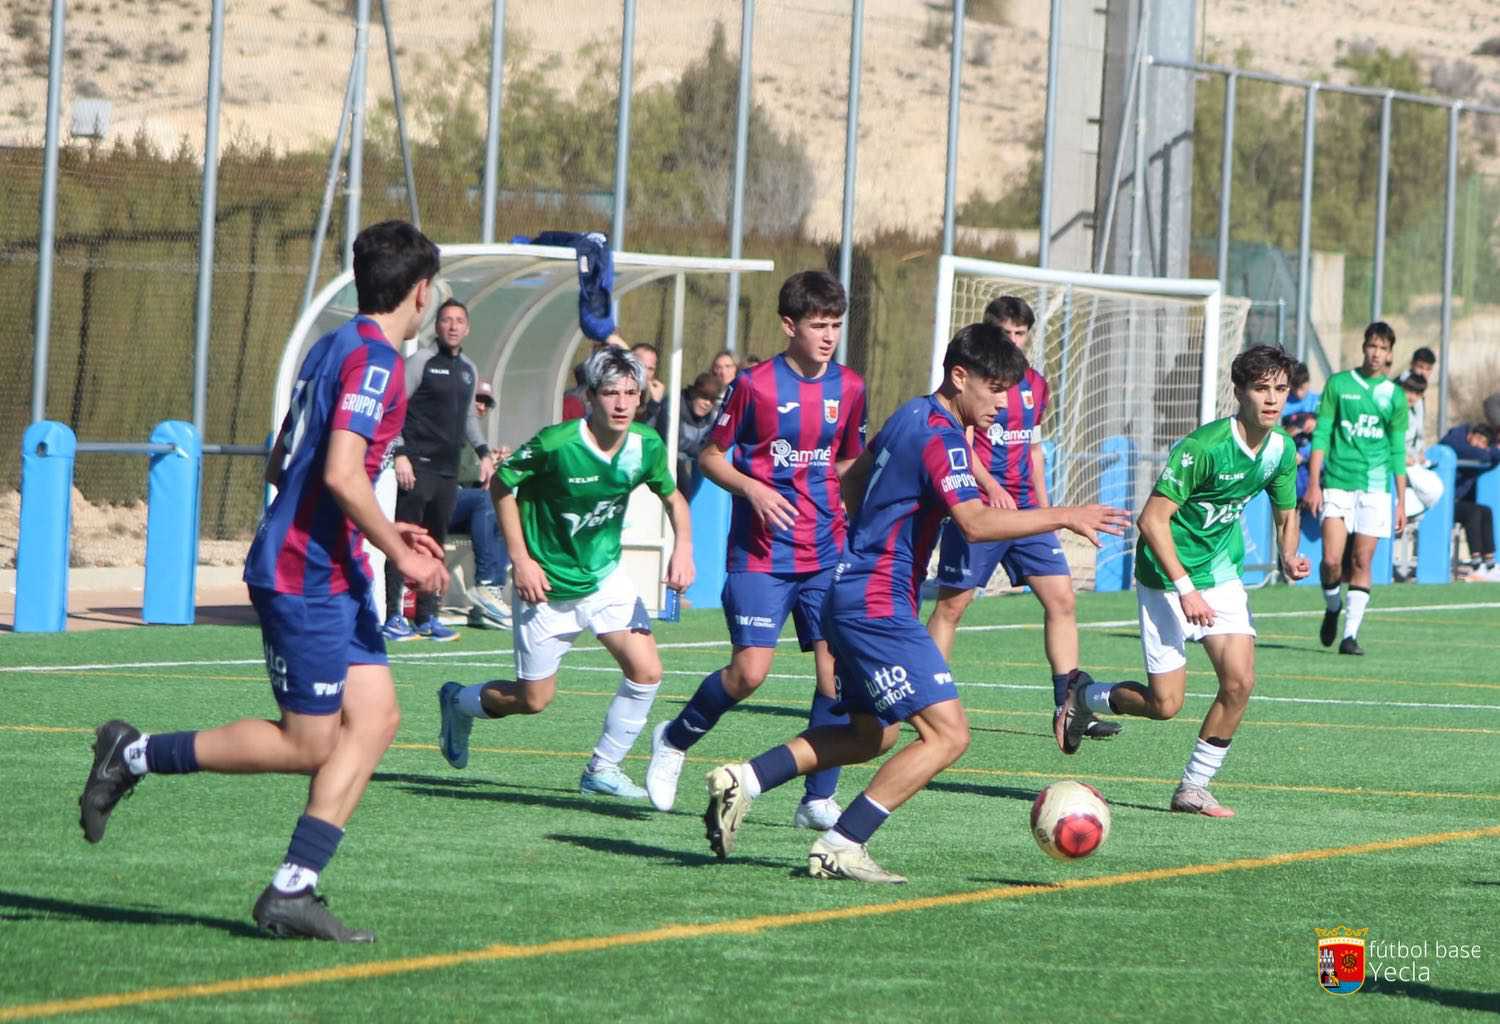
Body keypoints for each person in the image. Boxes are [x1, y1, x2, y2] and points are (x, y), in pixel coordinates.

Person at [78, 220, 449, 941]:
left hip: (330, 565)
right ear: (421, 290)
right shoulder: (378, 364)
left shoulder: (332, 346)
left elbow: (286, 461)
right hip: (304, 573)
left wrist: (378, 529)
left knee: (375, 720)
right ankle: (133, 753)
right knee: (307, 742)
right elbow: (341, 473)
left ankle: (293, 889)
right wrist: (400, 554)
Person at [698, 323, 1128, 882]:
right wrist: (1065, 514)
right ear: (959, 376)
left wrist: (869, 540)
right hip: (876, 601)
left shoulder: (910, 413)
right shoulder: (942, 437)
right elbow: (974, 524)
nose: (1004, 402)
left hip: (851, 588)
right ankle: (841, 844)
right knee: (949, 735)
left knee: (869, 735)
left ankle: (745, 780)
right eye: (995, 388)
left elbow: (851, 480)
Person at [642, 271, 867, 827]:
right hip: (763, 556)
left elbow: (845, 461)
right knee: (749, 674)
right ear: (789, 325)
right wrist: (754, 488)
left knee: (836, 673)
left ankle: (817, 798)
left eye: (836, 325)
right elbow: (713, 457)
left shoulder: (851, 388)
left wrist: (858, 511)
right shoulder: (756, 385)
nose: (828, 336)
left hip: (825, 552)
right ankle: (673, 739)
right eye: (818, 325)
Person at [1059, 345, 1310, 818]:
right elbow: (1151, 521)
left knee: (1240, 682)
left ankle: (1193, 788)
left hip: (1219, 571)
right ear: (1239, 392)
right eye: (1262, 389)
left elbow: (1286, 512)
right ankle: (1083, 695)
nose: (1273, 399)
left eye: (1280, 389)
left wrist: (1289, 552)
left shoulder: (1281, 448)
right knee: (1165, 704)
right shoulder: (1205, 447)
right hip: (1165, 573)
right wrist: (1184, 588)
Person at [435, 347, 695, 799]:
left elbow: (674, 499)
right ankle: (458, 701)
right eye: (610, 393)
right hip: (547, 586)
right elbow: (501, 485)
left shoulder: (645, 446)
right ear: (589, 397)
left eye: (630, 393)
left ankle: (603, 767)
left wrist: (684, 549)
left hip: (604, 578)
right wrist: (522, 560)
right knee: (533, 700)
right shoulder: (557, 444)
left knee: (647, 671)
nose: (620, 403)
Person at [926, 295, 1123, 746]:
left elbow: (1032, 449)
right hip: (978, 510)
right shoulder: (976, 385)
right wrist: (989, 486)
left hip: (1027, 511)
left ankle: (1069, 705)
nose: (1013, 340)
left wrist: (1048, 510)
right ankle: (924, 697)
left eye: (1020, 334)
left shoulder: (1036, 384)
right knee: (953, 606)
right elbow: (960, 442)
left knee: (1062, 599)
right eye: (1005, 333)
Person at [381, 298, 494, 642]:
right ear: (438, 326)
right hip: (416, 469)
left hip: (448, 474)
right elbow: (394, 406)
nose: (453, 326)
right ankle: (393, 616)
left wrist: (484, 452)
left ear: (468, 327)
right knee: (405, 540)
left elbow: (470, 419)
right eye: (447, 320)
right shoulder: (421, 362)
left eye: (459, 320)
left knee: (435, 545)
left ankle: (427, 617)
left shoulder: (468, 370)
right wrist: (399, 453)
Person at [1304, 322, 1407, 656]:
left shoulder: (1394, 396)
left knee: (1362, 559)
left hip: (1376, 488)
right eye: (1372, 346)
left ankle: (1350, 636)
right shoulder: (1339, 384)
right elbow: (1321, 433)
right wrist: (1315, 484)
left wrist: (1401, 502)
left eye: (1383, 349)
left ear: (1390, 354)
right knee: (1332, 560)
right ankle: (1333, 606)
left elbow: (1398, 452)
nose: (1376, 354)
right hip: (1337, 483)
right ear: (1364, 347)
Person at [450, 380, 513, 627]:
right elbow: (454, 473)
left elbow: (472, 480)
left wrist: (494, 464)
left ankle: (491, 593)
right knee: (487, 501)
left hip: (461, 503)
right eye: (476, 398)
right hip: (439, 502)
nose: (481, 406)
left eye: (486, 402)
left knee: (507, 509)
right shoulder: (450, 425)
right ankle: (487, 585)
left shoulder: (475, 438)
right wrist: (485, 467)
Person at [1394, 374, 1444, 581]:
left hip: (1411, 462)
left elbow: (1415, 439)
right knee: (1432, 489)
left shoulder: (1415, 409)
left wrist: (1417, 455)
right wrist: (1401, 455)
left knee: (1436, 489)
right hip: (1396, 462)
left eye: (1417, 392)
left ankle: (1409, 513)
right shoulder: (1394, 407)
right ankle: (1406, 513)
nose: (1412, 396)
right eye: (1409, 390)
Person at [1438, 422, 1500, 579]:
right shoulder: (1456, 441)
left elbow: (1495, 457)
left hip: (1458, 502)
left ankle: (1490, 564)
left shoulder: (1474, 453)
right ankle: (1476, 564)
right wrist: (1487, 452)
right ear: (1469, 436)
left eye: (1483, 443)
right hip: (1441, 502)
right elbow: (1459, 448)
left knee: (1485, 510)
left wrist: (1489, 452)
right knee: (1472, 512)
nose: (1478, 444)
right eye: (1477, 439)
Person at [672, 372, 723, 501]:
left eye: (712, 400)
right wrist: (701, 451)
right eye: (704, 397)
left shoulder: (714, 415)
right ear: (693, 393)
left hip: (693, 462)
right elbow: (673, 441)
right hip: (666, 459)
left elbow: (711, 444)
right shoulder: (674, 405)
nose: (707, 404)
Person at [631, 341, 670, 437]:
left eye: (650, 369)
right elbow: (632, 431)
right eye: (641, 366)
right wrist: (653, 405)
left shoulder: (653, 396)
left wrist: (656, 403)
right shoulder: (616, 390)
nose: (645, 373)